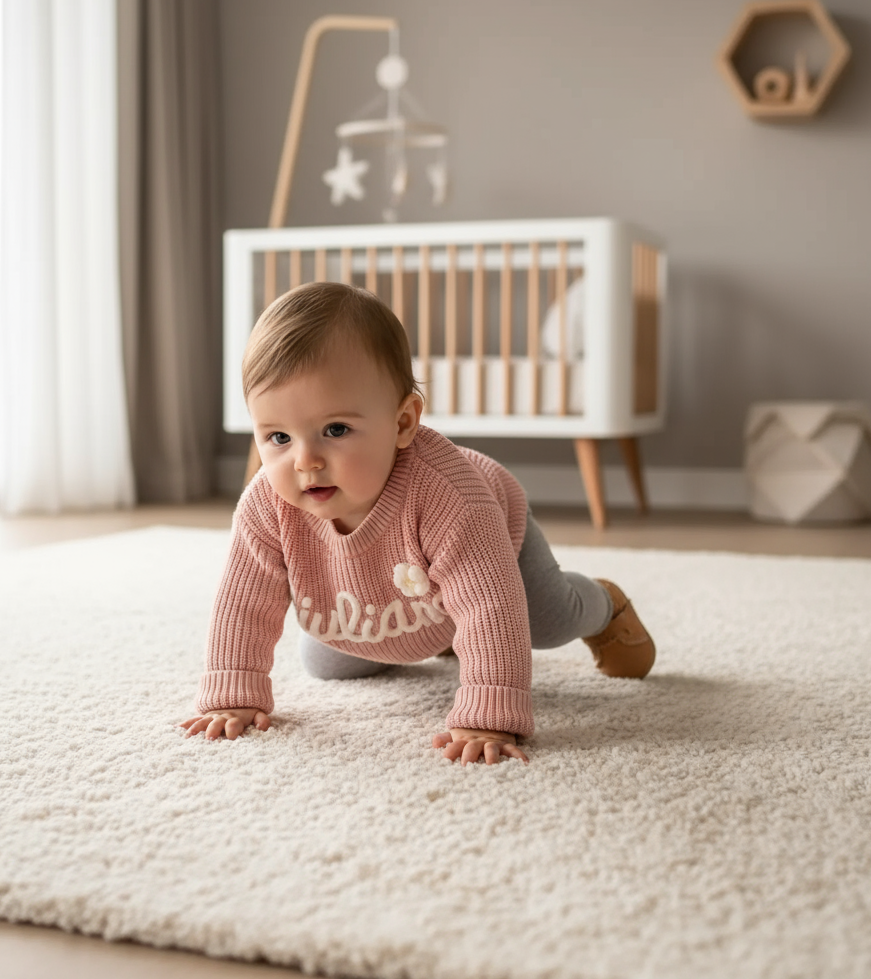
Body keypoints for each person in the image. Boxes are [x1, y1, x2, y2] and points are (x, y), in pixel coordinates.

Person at [180, 282, 655, 765]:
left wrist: (487, 715)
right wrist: (233, 693)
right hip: (383, 592)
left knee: (547, 619)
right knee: (326, 661)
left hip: (492, 543)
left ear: (404, 422)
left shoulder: (452, 499)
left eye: (335, 430)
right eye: (278, 437)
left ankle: (605, 604)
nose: (306, 461)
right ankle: (446, 632)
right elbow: (244, 603)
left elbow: (489, 606)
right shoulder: (266, 505)